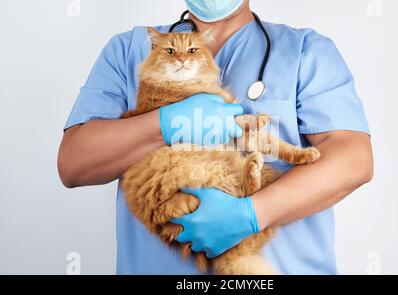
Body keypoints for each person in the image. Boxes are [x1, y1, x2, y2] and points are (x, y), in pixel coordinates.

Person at [58, 0, 373, 274]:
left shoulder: (305, 50)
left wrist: (252, 214)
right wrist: (163, 124)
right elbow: (74, 163)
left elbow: (354, 160)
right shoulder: (129, 50)